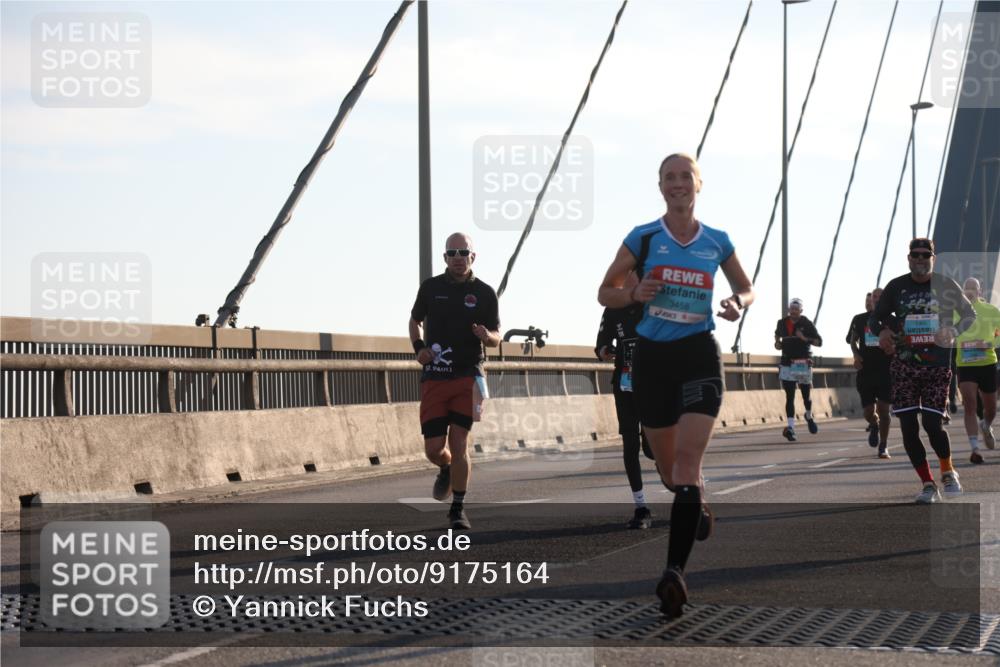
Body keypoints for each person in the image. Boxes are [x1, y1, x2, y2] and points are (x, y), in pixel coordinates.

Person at [598, 152, 754, 619]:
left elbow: (747, 287)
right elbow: (605, 290)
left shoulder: (717, 241)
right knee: (669, 473)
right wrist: (631, 294)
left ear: (699, 184)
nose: (678, 183)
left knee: (686, 467)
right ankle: (696, 499)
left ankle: (674, 574)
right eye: (670, 177)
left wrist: (735, 302)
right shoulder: (643, 238)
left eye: (686, 176)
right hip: (652, 360)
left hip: (700, 355)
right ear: (661, 186)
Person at [869, 238, 977, 504]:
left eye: (925, 255)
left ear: (933, 258)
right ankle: (928, 484)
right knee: (908, 427)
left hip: (937, 365)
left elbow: (969, 315)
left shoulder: (946, 285)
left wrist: (953, 330)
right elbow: (875, 317)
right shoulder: (896, 287)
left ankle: (948, 471)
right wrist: (882, 330)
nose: (920, 259)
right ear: (908, 258)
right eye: (915, 255)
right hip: (904, 365)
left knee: (931, 423)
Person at [409, 233, 500, 530]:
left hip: (469, 376)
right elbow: (414, 321)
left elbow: (498, 336)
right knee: (434, 449)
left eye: (464, 252)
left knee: (459, 442)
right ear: (445, 257)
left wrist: (486, 336)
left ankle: (458, 508)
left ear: (473, 256)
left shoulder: (485, 293)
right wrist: (419, 348)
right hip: (436, 376)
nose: (458, 257)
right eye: (453, 253)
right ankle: (445, 468)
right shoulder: (431, 287)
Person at [595, 291, 656, 530]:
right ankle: (641, 508)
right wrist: (604, 351)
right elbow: (600, 344)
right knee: (630, 445)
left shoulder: (655, 305)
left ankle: (680, 484)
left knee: (652, 450)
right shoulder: (612, 309)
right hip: (624, 385)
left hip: (654, 387)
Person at [954, 277, 1000, 464]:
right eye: (967, 289)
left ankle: (986, 425)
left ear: (980, 292)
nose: (970, 292)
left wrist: (991, 342)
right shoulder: (956, 312)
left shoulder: (991, 311)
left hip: (987, 362)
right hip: (965, 364)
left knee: (990, 408)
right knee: (970, 404)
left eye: (973, 289)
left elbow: (999, 332)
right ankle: (975, 448)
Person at [847, 288, 892, 458]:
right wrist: (856, 355)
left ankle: (883, 445)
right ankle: (874, 424)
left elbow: (902, 339)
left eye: (881, 297)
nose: (877, 299)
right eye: (874, 296)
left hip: (886, 371)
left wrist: (893, 348)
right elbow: (852, 341)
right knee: (868, 412)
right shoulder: (859, 319)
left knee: (884, 410)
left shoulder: (891, 320)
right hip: (866, 371)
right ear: (871, 300)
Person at [774, 298, 823, 441]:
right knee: (790, 397)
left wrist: (804, 338)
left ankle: (808, 415)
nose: (794, 311)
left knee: (806, 396)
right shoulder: (781, 323)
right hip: (787, 363)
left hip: (802, 362)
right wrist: (777, 343)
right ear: (789, 309)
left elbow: (819, 342)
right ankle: (791, 428)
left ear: (801, 311)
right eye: (792, 308)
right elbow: (777, 337)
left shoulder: (806, 323)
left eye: (797, 309)